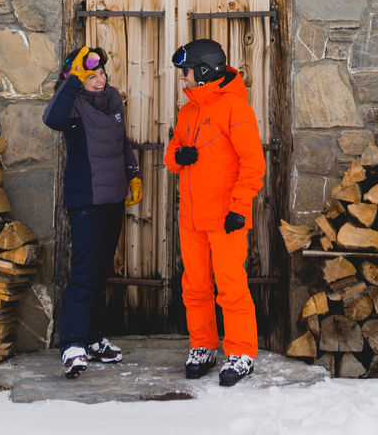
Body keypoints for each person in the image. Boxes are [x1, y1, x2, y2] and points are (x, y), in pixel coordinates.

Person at [164, 39, 266, 387]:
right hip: (191, 218)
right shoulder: (187, 111)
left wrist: (240, 207)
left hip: (226, 218)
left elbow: (253, 163)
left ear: (205, 71)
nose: (183, 77)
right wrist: (179, 158)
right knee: (194, 286)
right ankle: (203, 346)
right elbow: (171, 154)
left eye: (186, 70)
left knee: (230, 287)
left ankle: (241, 352)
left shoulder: (235, 109)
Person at [43, 46, 143, 378]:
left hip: (113, 197)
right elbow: (51, 119)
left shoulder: (113, 101)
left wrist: (134, 174)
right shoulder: (71, 105)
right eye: (91, 76)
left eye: (101, 74)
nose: (99, 81)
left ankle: (94, 338)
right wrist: (73, 79)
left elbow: (122, 143)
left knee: (102, 272)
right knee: (84, 272)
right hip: (85, 198)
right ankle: (72, 343)